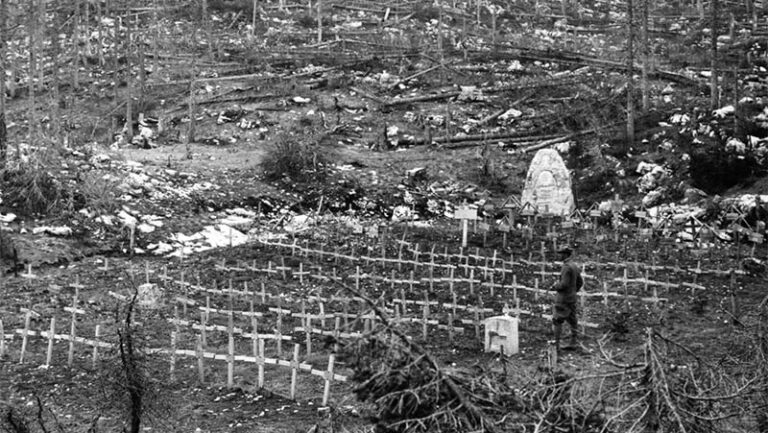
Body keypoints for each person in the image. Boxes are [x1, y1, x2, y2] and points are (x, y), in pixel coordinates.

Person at [551, 246, 583, 352]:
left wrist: (556, 286)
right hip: (572, 298)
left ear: (565, 255)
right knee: (573, 320)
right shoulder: (574, 266)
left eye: (561, 253)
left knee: (557, 320)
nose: (559, 255)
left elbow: (563, 284)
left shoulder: (566, 267)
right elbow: (580, 282)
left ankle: (556, 346)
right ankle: (574, 342)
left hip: (563, 299)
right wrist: (573, 292)